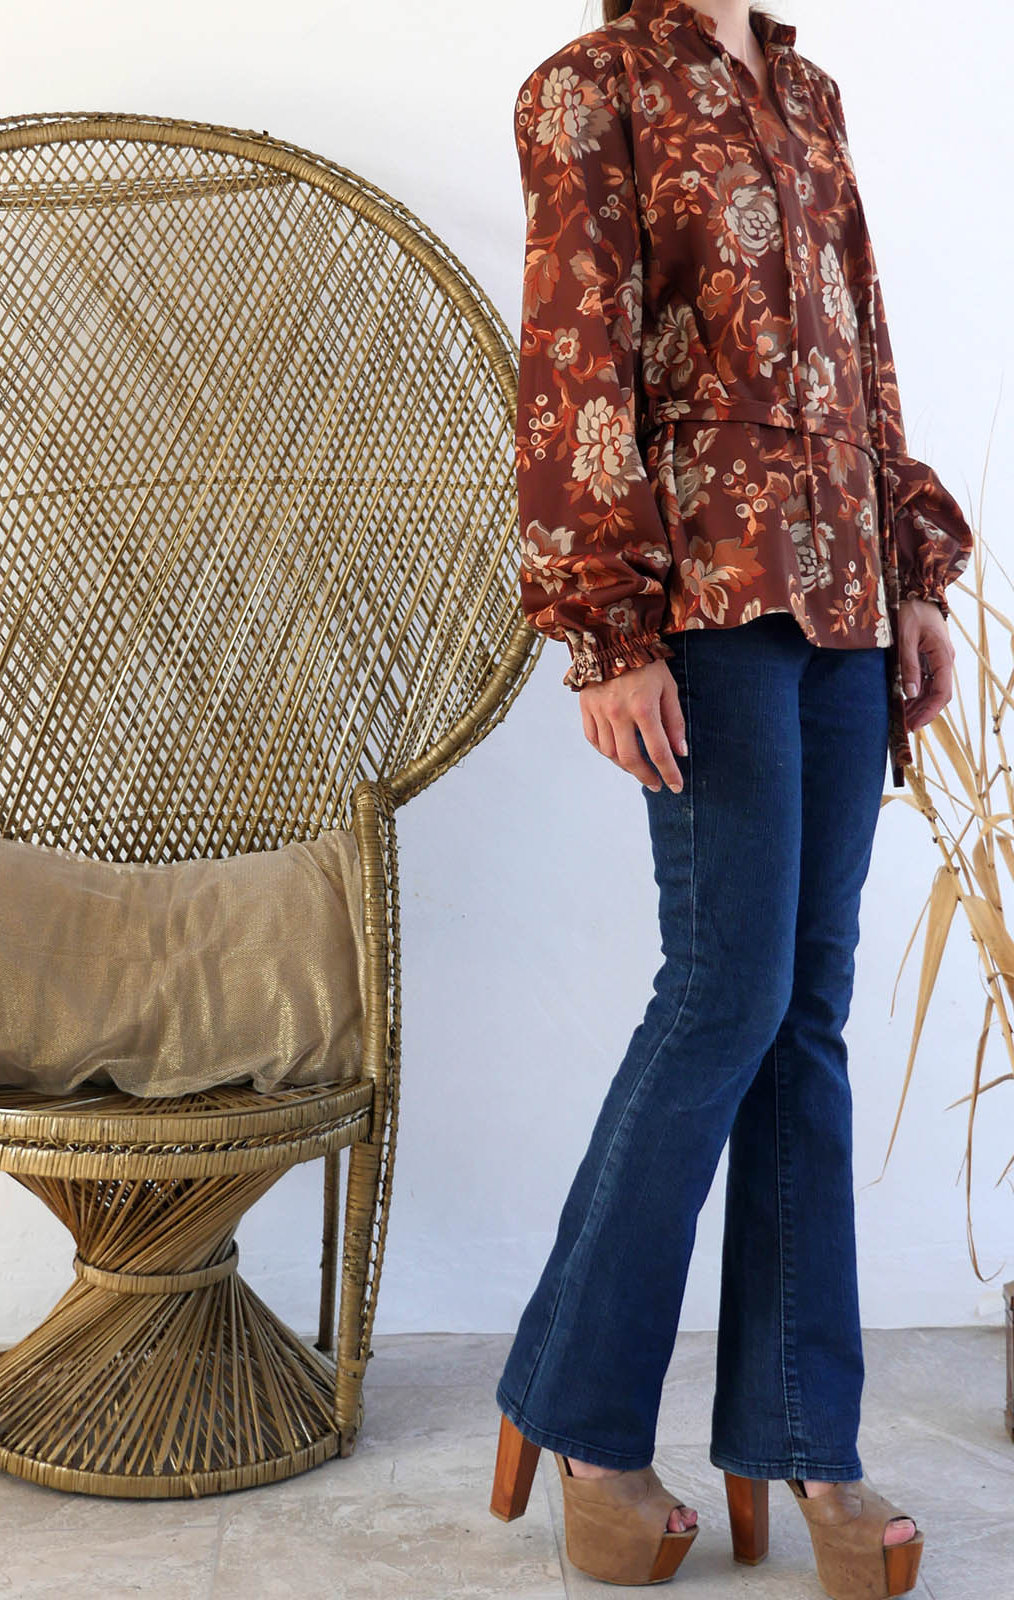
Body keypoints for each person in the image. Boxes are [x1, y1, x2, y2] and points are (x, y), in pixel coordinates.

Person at [488, 1, 973, 1592]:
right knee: (724, 994)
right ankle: (583, 1421)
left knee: (807, 1009)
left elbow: (864, 345)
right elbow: (572, 356)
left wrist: (917, 576)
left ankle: (798, 1437)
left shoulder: (809, 89)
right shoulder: (592, 87)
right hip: (699, 603)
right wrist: (606, 628)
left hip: (841, 598)